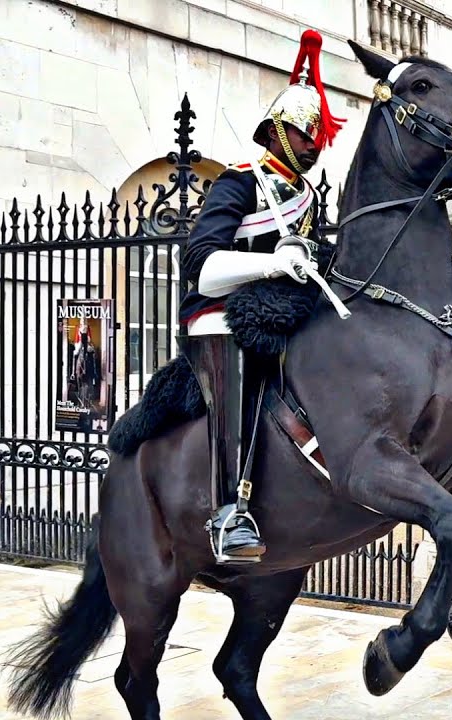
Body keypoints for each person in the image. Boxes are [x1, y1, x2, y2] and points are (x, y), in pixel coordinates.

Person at [175, 29, 345, 564]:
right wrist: (274, 262)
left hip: (284, 312)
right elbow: (200, 267)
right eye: (303, 135)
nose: (313, 147)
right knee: (235, 349)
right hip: (221, 312)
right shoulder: (240, 183)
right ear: (275, 132)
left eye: (317, 138)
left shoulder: (310, 196)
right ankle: (229, 511)